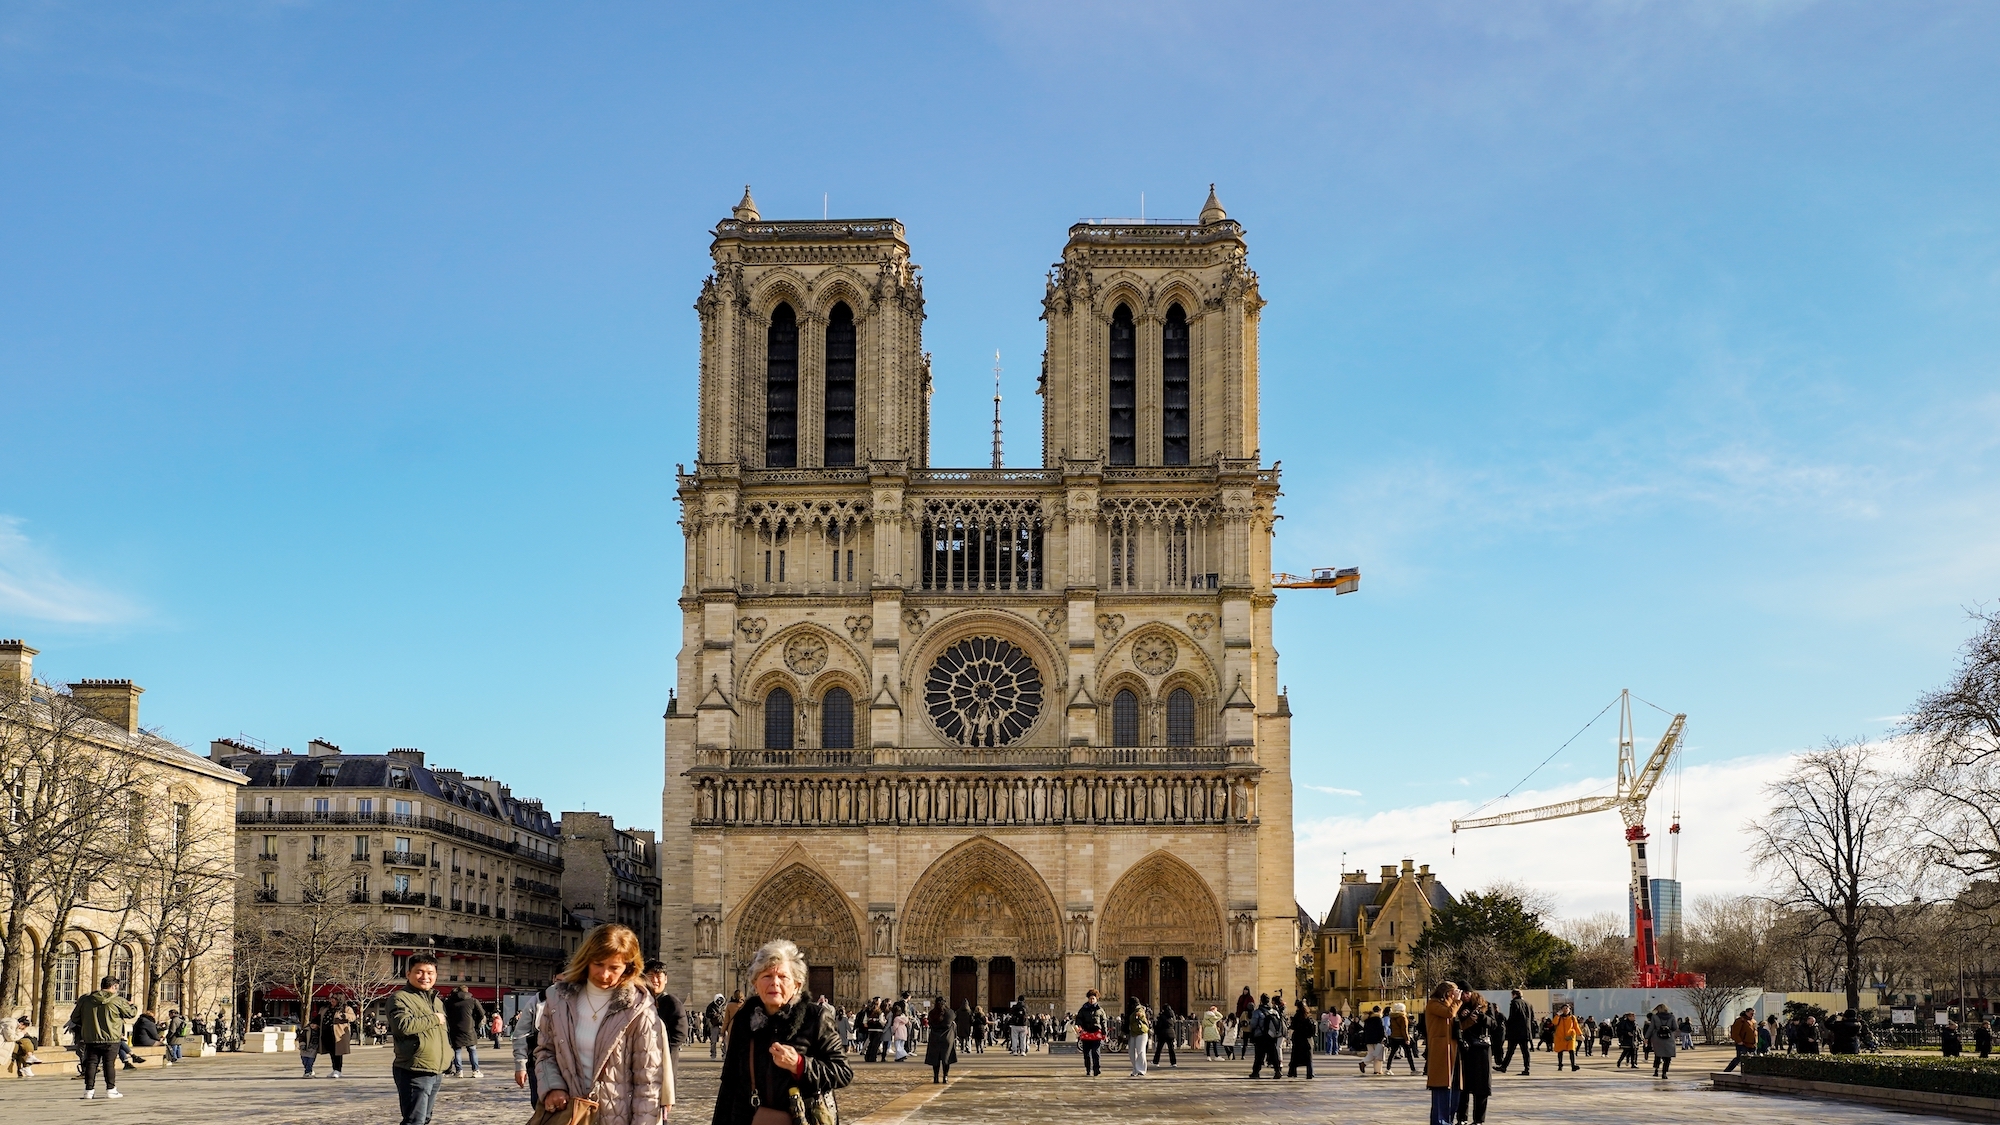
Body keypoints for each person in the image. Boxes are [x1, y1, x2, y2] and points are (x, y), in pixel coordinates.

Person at [534, 923, 671, 1125]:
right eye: (598, 964)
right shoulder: (557, 1000)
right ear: (586, 960)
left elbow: (647, 1082)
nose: (604, 974)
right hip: (571, 1115)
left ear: (628, 967)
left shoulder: (640, 1009)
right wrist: (553, 1086)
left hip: (617, 1117)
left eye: (614, 968)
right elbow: (546, 1052)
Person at [711, 938, 850, 1125]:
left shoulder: (815, 1018)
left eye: (783, 977)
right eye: (766, 976)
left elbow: (842, 1072)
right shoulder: (744, 1020)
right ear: (755, 983)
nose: (774, 983)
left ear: (797, 984)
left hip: (803, 1119)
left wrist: (800, 1065)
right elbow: (730, 1083)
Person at [387, 953, 451, 1125]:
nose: (425, 977)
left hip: (436, 1069)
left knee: (425, 1119)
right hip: (414, 1069)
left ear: (436, 975)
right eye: (419, 972)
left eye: (430, 972)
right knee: (415, 1120)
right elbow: (403, 1026)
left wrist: (449, 1056)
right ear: (408, 974)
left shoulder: (436, 1000)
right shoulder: (399, 998)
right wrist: (434, 1018)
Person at [72, 976, 137, 1101]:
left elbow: (75, 1018)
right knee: (109, 1064)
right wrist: (132, 1005)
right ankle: (111, 1089)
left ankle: (88, 1091)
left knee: (91, 1063)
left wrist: (88, 1022)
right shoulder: (118, 1001)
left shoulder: (85, 1000)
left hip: (91, 1037)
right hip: (111, 1038)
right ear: (114, 986)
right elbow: (131, 1013)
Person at [1423, 981, 1461, 1125]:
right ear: (1446, 993)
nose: (1456, 995)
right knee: (1441, 1086)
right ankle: (1441, 1121)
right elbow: (1449, 1013)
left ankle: (1447, 1119)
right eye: (1454, 992)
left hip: (1452, 1049)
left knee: (1452, 1087)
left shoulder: (1451, 1004)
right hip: (1441, 1049)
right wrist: (1457, 1001)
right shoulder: (1433, 1004)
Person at [1452, 992, 1493, 1125]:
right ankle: (1462, 1118)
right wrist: (1461, 1018)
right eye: (1462, 993)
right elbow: (1453, 1027)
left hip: (1481, 1049)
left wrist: (1481, 1017)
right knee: (1463, 1085)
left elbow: (1494, 1025)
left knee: (1481, 1086)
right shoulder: (1457, 1007)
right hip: (1465, 1049)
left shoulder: (1485, 1007)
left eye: (1467, 993)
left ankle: (1478, 1120)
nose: (1465, 996)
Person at [643, 959, 689, 1070]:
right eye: (650, 975)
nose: (654, 980)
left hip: (663, 1062)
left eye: (658, 976)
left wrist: (659, 1050)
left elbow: (680, 1035)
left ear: (666, 979)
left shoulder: (672, 1002)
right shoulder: (641, 1002)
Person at [443, 986, 486, 1077]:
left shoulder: (450, 1002)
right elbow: (481, 1014)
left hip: (454, 1028)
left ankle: (459, 1071)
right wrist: (475, 1023)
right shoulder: (472, 1001)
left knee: (457, 1050)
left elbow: (445, 1014)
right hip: (469, 1028)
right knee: (472, 1050)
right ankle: (475, 1070)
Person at [511, 988, 544, 1105]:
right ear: (554, 978)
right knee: (539, 1105)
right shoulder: (538, 1000)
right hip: (538, 1062)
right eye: (559, 980)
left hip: (570, 1066)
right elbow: (520, 1034)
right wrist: (520, 1065)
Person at [1497, 990, 1534, 1075]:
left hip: (1515, 1032)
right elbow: (1532, 1018)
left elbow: (1513, 1017)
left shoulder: (1514, 1003)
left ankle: (1504, 1067)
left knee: (1510, 1050)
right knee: (1525, 1051)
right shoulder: (1529, 1004)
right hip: (1525, 1031)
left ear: (1514, 995)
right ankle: (1526, 1069)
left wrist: (1507, 1025)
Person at [924, 996, 957, 1083]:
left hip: (935, 1038)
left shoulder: (932, 1013)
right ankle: (945, 1076)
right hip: (946, 1038)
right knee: (946, 1058)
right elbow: (953, 1018)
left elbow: (930, 1023)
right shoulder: (949, 1012)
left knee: (935, 1059)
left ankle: (935, 1077)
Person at [1074, 989, 1106, 1076]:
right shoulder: (1083, 1009)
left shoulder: (1100, 1010)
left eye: (1093, 998)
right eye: (1090, 999)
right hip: (1087, 1034)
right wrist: (1078, 1026)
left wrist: (1104, 1032)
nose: (1091, 1000)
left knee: (1096, 1052)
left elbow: (1103, 1021)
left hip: (1096, 1034)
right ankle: (1088, 1069)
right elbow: (1079, 1019)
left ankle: (1096, 1069)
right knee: (1086, 1054)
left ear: (1096, 999)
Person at [1645, 1004, 1678, 1078]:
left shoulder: (1655, 1017)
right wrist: (1668, 1030)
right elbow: (1675, 1027)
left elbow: (1651, 1028)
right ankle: (1664, 1073)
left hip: (1657, 1038)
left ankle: (1656, 1070)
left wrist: (1646, 1037)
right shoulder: (1672, 1017)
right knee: (1668, 1056)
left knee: (1658, 1054)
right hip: (1668, 1038)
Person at [1124, 994, 1152, 1077]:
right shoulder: (1129, 1011)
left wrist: (1140, 1015)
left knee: (1140, 1050)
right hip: (1132, 1032)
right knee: (1131, 1051)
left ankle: (1141, 1070)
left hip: (1141, 1032)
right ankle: (1135, 1069)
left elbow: (1143, 1015)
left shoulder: (1140, 1009)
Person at [1387, 1002, 1417, 1074]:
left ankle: (1388, 1069)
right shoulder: (1403, 1017)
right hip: (1402, 1037)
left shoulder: (1392, 1017)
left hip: (1394, 1037)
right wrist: (1407, 1039)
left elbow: (1391, 1027)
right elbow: (1404, 1029)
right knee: (1408, 1054)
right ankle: (1413, 1069)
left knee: (1392, 1053)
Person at [1287, 999, 1315, 1078]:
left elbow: (1293, 1026)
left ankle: (1292, 1072)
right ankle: (1310, 1073)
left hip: (1298, 1039)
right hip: (1308, 1040)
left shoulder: (1297, 1015)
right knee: (1309, 1059)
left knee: (1295, 1057)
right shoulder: (1309, 1016)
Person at [1551, 1005, 1581, 1072]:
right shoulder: (1559, 1017)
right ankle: (1560, 1065)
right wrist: (1557, 1015)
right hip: (1560, 1037)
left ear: (1569, 1009)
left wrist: (1580, 1034)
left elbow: (1576, 1026)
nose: (1565, 1010)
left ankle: (1573, 1065)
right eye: (1564, 1008)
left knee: (1572, 1051)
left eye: (1567, 1008)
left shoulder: (1573, 1018)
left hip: (1570, 1036)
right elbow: (1554, 1022)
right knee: (1560, 1051)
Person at [1152, 1003, 1179, 1069]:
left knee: (1159, 1049)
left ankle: (1156, 1062)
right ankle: (1173, 1062)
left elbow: (1159, 1026)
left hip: (1163, 1034)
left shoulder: (1162, 1016)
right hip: (1171, 1033)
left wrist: (1155, 1028)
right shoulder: (1172, 1016)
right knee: (1171, 1049)